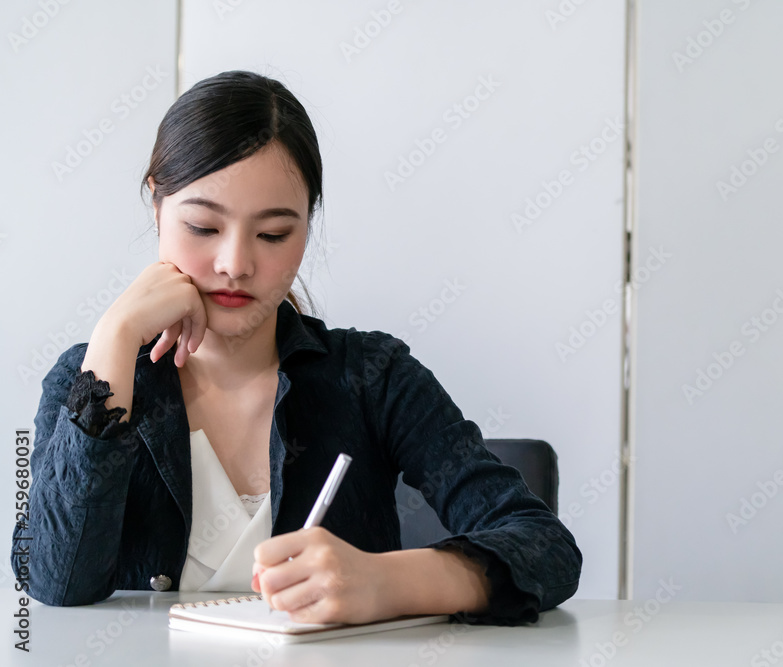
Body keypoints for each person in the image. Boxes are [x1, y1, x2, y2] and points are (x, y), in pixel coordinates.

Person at [10, 70, 582, 626]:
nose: (235, 264)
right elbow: (54, 581)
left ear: (308, 227)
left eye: (273, 234)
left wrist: (385, 583)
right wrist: (114, 336)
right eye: (204, 228)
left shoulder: (373, 376)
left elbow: (546, 547)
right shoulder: (88, 378)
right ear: (157, 208)